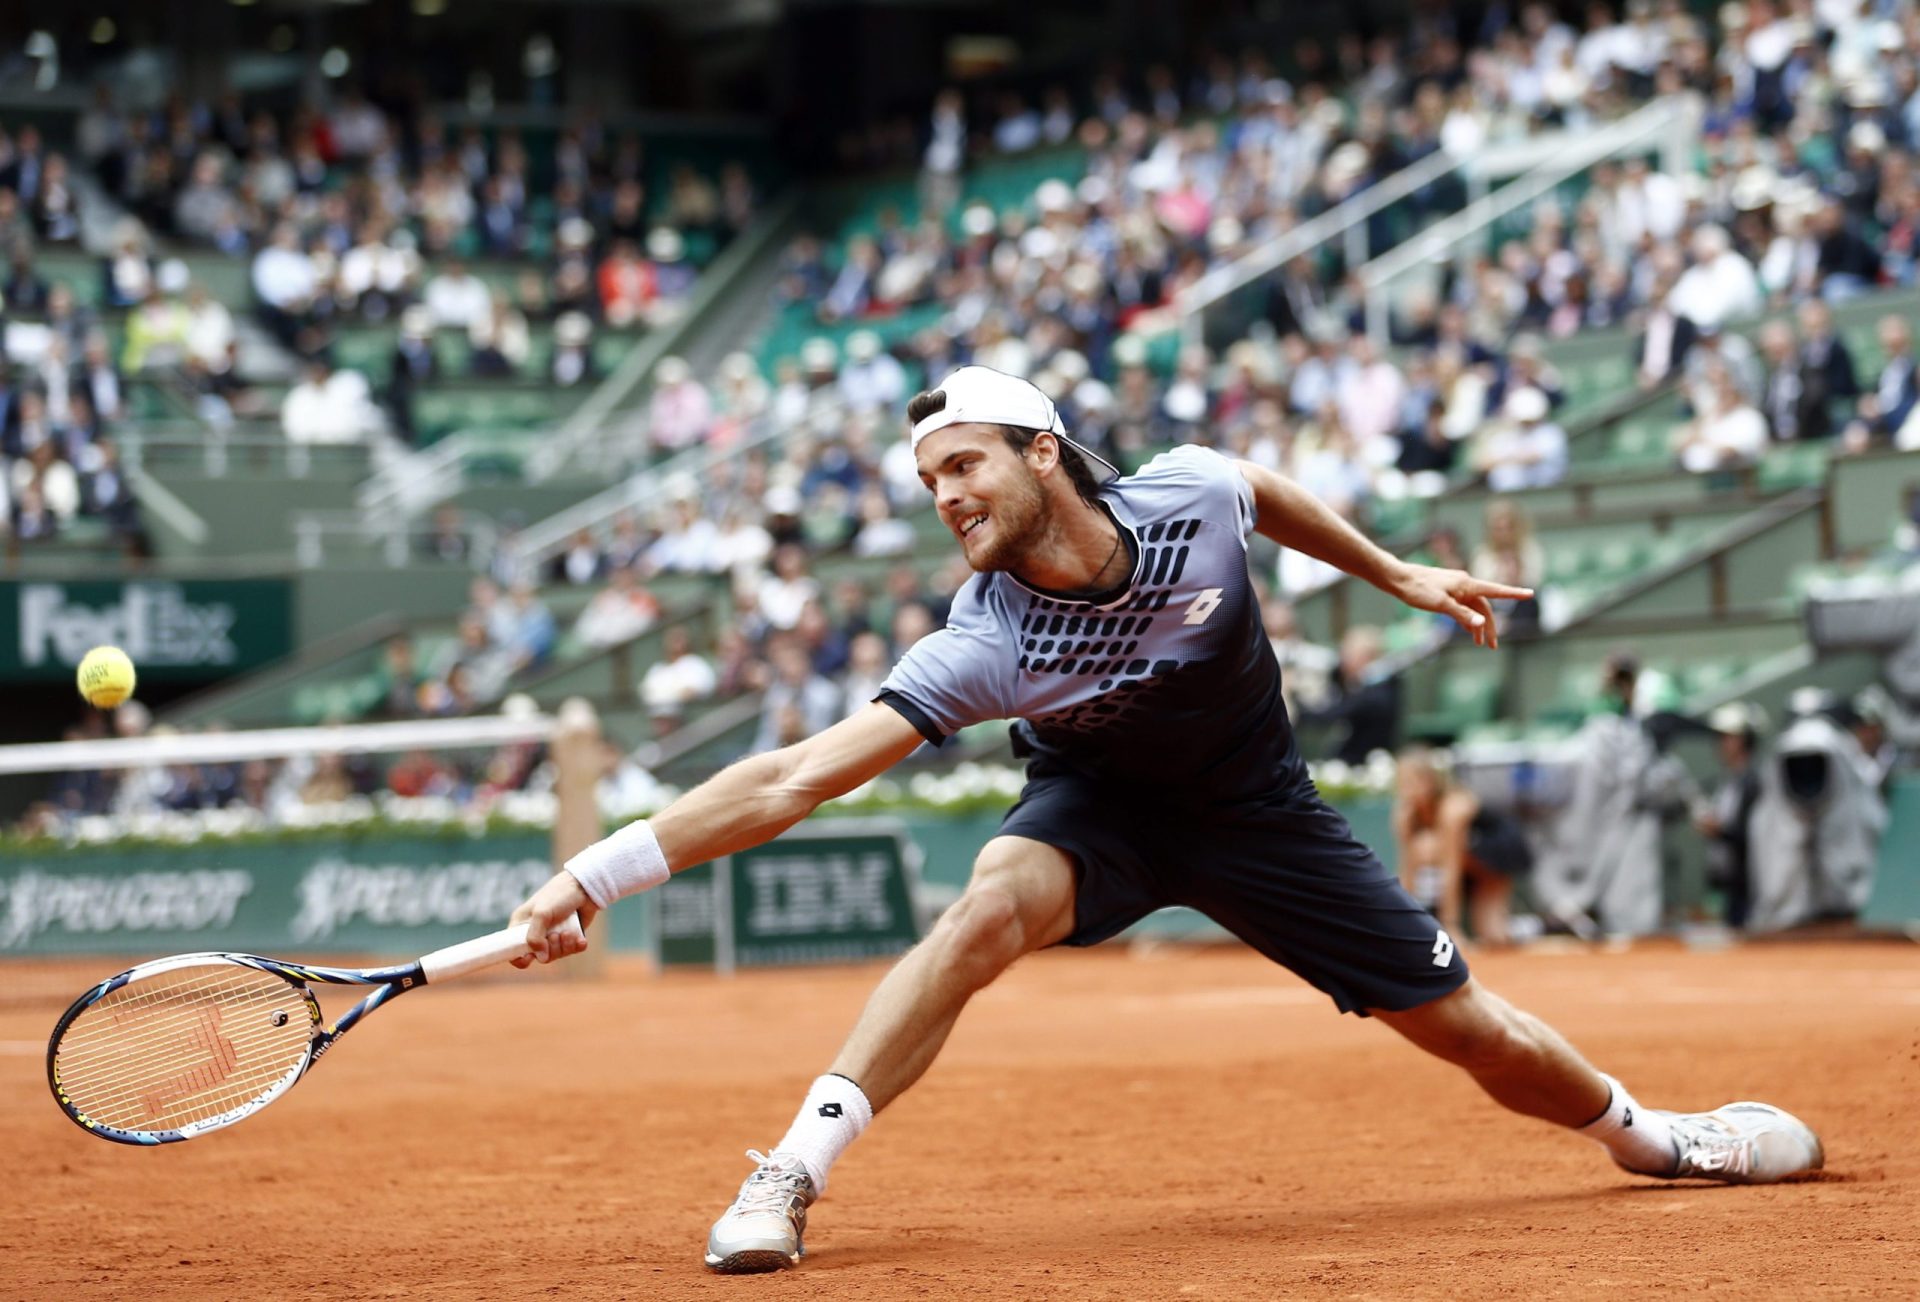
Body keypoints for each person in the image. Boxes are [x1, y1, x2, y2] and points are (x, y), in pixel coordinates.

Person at [508, 366, 1824, 1275]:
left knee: (1470, 1028)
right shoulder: (986, 640)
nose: (946, 495)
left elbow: (1265, 490)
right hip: (1101, 810)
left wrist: (1393, 569)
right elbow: (795, 776)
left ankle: (1656, 1138)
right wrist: (597, 870)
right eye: (928, 483)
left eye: (963, 464)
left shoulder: (1189, 495)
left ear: (1042, 452)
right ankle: (789, 1173)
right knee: (981, 911)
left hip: (1259, 810)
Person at [1392, 746, 1529, 946]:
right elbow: (1407, 871)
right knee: (1492, 936)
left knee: (1497, 937)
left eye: (1411, 782)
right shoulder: (1404, 815)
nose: (1405, 790)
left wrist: (1450, 926)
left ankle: (1535, 926)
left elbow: (1451, 867)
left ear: (1430, 781)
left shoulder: (1453, 808)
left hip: (1497, 856)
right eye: (1401, 783)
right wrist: (1403, 923)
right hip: (1467, 865)